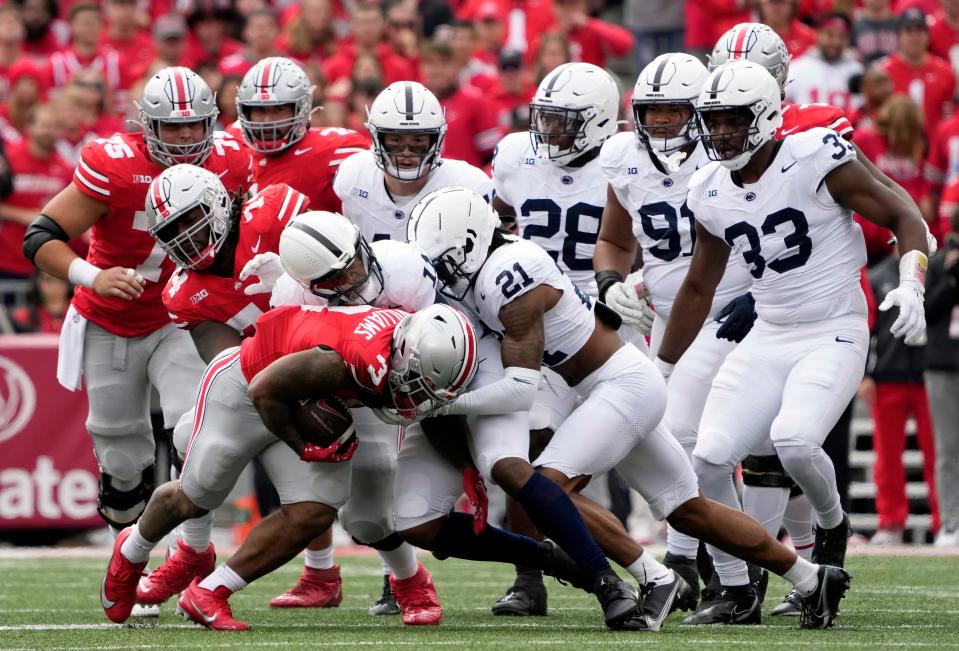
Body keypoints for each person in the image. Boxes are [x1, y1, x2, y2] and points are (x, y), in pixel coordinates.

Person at [410, 185, 854, 631]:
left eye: (446, 262)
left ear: (470, 243)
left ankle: (654, 578)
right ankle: (812, 577)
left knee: (546, 488)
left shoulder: (509, 274)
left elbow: (520, 390)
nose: (444, 276)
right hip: (612, 386)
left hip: (621, 386)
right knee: (690, 511)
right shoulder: (493, 264)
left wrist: (444, 404)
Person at [655, 59, 928, 627]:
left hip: (834, 328)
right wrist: (660, 370)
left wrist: (910, 282)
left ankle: (831, 525)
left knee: (797, 442)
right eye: (713, 121)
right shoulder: (708, 188)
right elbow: (700, 285)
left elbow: (902, 211)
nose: (720, 133)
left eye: (732, 120)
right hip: (769, 331)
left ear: (763, 117)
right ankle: (736, 589)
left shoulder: (813, 158)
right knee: (707, 459)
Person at [99, 301, 479, 630]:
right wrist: (305, 446)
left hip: (302, 395)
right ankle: (131, 550)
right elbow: (265, 389)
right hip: (247, 384)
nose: (416, 396)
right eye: (414, 382)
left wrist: (466, 468)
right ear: (403, 353)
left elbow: (433, 411)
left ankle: (210, 592)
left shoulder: (406, 351)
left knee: (313, 512)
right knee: (198, 494)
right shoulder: (359, 360)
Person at [21, 67, 252, 541]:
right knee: (121, 455)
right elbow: (40, 236)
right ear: (148, 125)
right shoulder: (114, 166)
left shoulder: (234, 161)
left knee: (196, 429)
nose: (186, 136)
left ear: (212, 122)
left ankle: (190, 557)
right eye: (173, 125)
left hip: (185, 317)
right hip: (114, 318)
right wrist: (94, 276)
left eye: (195, 124)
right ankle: (131, 551)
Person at [489, 62, 667, 620]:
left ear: (596, 124)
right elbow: (498, 224)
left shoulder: (629, 160)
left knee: (663, 458)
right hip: (538, 322)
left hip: (605, 318)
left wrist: (633, 285)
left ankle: (689, 560)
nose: (549, 134)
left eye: (564, 123)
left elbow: (664, 237)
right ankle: (529, 575)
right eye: (546, 120)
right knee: (526, 450)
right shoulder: (517, 155)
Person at [595, 52, 759, 623]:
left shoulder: (727, 158)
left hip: (734, 309)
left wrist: (763, 291)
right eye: (651, 110)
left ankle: (734, 566)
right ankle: (701, 561)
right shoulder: (624, 160)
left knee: (698, 439)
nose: (660, 121)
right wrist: (612, 280)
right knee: (679, 440)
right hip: (664, 316)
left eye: (672, 109)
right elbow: (614, 241)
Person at [241, 211, 448, 624]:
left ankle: (411, 583)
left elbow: (439, 340)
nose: (348, 283)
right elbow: (295, 371)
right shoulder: (291, 295)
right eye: (331, 281)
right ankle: (325, 576)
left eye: (350, 267)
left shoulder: (405, 268)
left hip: (402, 384)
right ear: (306, 284)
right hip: (342, 392)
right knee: (337, 506)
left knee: (370, 508)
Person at [334, 80, 492, 245]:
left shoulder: (468, 187)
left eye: (418, 141)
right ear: (376, 137)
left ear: (436, 140)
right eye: (395, 140)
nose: (406, 152)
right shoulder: (353, 176)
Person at [863, 250, 939, 545]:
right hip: (887, 377)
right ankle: (891, 521)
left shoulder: (932, 273)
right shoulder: (878, 276)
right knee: (887, 455)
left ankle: (945, 520)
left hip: (927, 375)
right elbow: (867, 326)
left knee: (938, 454)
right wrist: (865, 374)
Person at [234, 56, 370, 214]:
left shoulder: (333, 151)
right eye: (259, 110)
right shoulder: (232, 145)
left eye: (279, 109)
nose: (268, 120)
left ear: (301, 109)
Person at [0, 105, 72, 282]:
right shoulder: (9, 159)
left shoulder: (64, 167)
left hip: (43, 266)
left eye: (54, 126)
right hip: (6, 260)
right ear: (29, 127)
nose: (49, 131)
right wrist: (26, 215)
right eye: (44, 125)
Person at [923, 214, 959, 548]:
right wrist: (950, 279)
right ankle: (951, 521)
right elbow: (926, 311)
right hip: (943, 364)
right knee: (948, 448)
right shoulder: (937, 264)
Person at [879, 9, 955, 138]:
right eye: (908, 31)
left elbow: (950, 115)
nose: (915, 37)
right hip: (894, 147)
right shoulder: (883, 71)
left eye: (920, 30)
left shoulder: (945, 71)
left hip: (933, 146)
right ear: (899, 35)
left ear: (928, 35)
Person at [785, 14, 863, 114]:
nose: (835, 41)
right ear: (818, 33)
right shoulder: (796, 68)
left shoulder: (857, 71)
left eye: (841, 36)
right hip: (807, 128)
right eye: (830, 35)